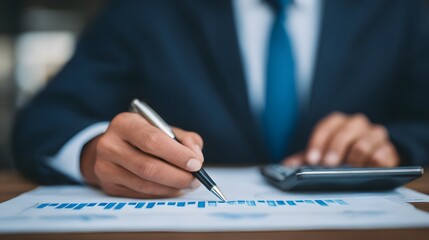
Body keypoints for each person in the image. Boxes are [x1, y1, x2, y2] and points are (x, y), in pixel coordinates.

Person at [12, 0, 429, 199]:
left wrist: (392, 144)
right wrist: (92, 154)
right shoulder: (141, 10)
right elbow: (44, 121)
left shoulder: (405, 11)